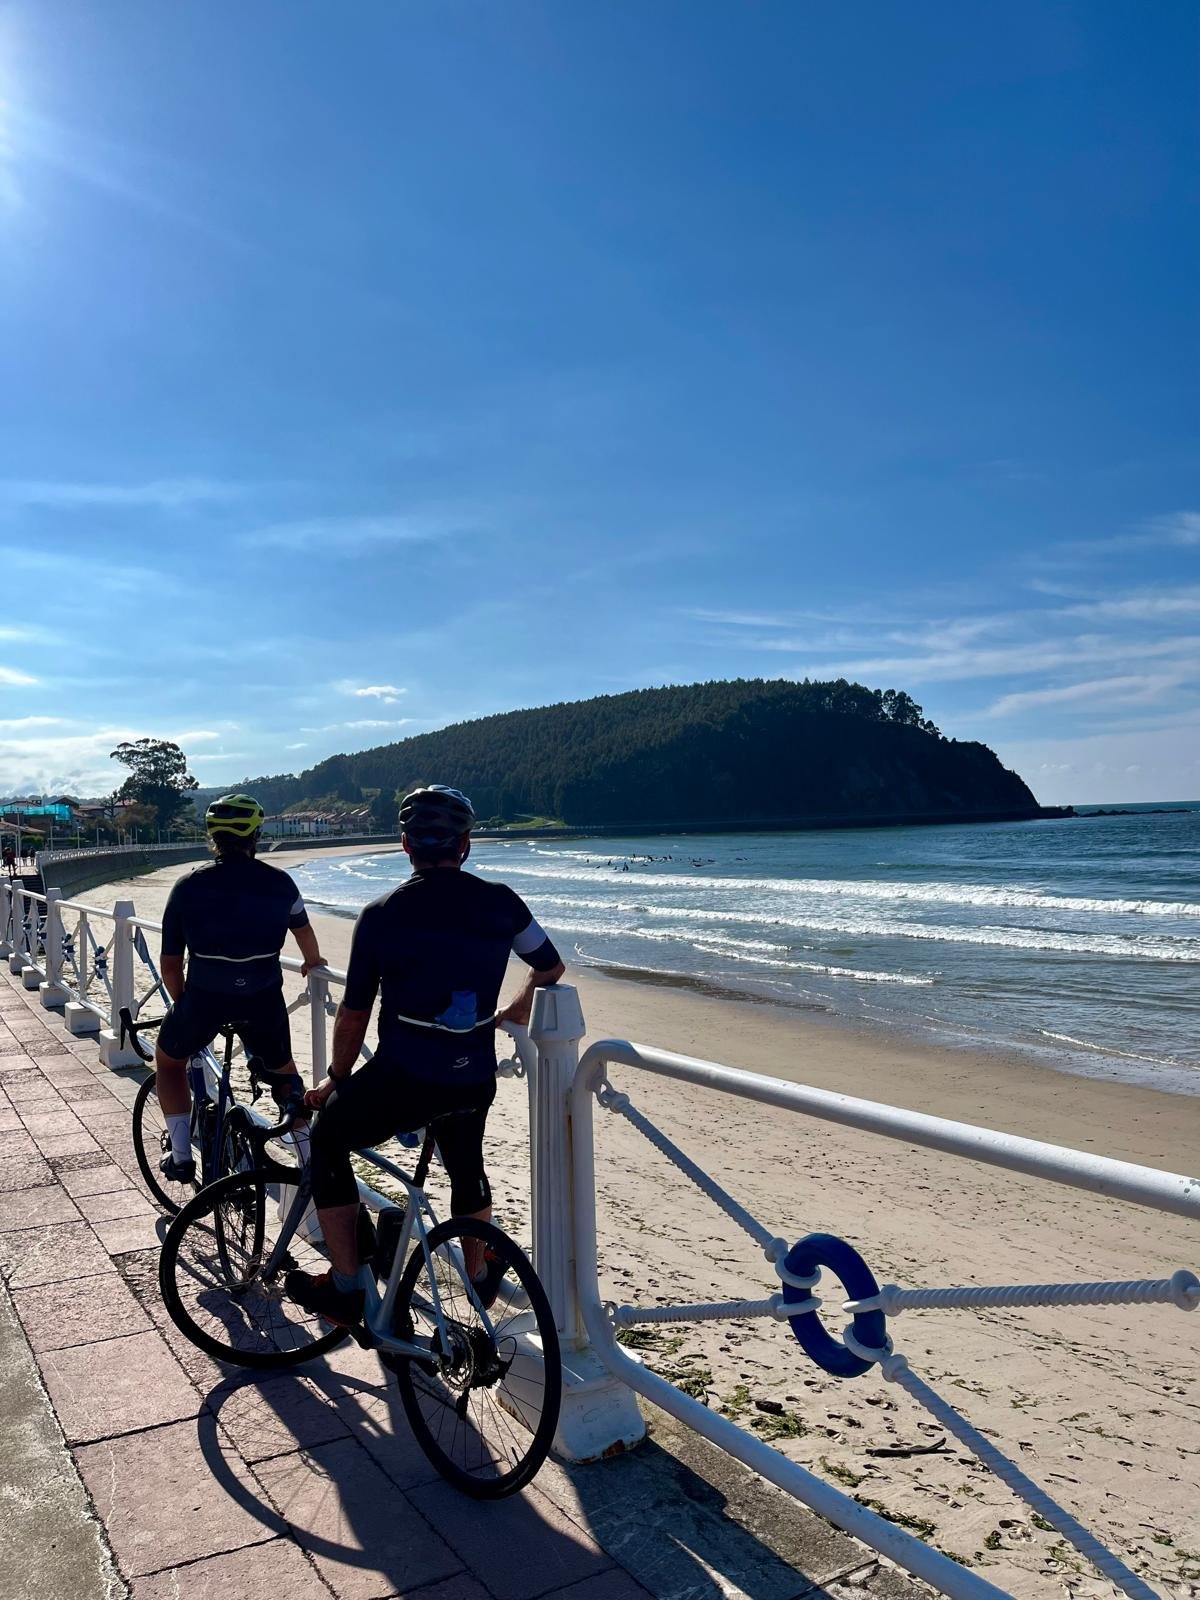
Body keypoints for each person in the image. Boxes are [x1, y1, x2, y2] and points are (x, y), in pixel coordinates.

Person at [286, 784, 564, 1328]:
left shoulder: (382, 913)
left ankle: (346, 1288)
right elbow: (550, 967)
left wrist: (336, 1079)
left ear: (406, 845)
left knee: (328, 1137)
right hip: (473, 1074)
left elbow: (354, 1015)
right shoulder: (501, 902)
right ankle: (481, 1271)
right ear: (466, 845)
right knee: (466, 1166)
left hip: (406, 1079)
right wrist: (515, 1009)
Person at [154, 793, 327, 1182]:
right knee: (287, 1081)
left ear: (212, 836)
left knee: (168, 1062)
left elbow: (169, 965)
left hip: (205, 998)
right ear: (256, 835)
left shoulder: (187, 887)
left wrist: (185, 1007)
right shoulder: (280, 883)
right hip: (262, 1000)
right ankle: (310, 1168)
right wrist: (314, 963)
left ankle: (181, 1156)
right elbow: (305, 936)